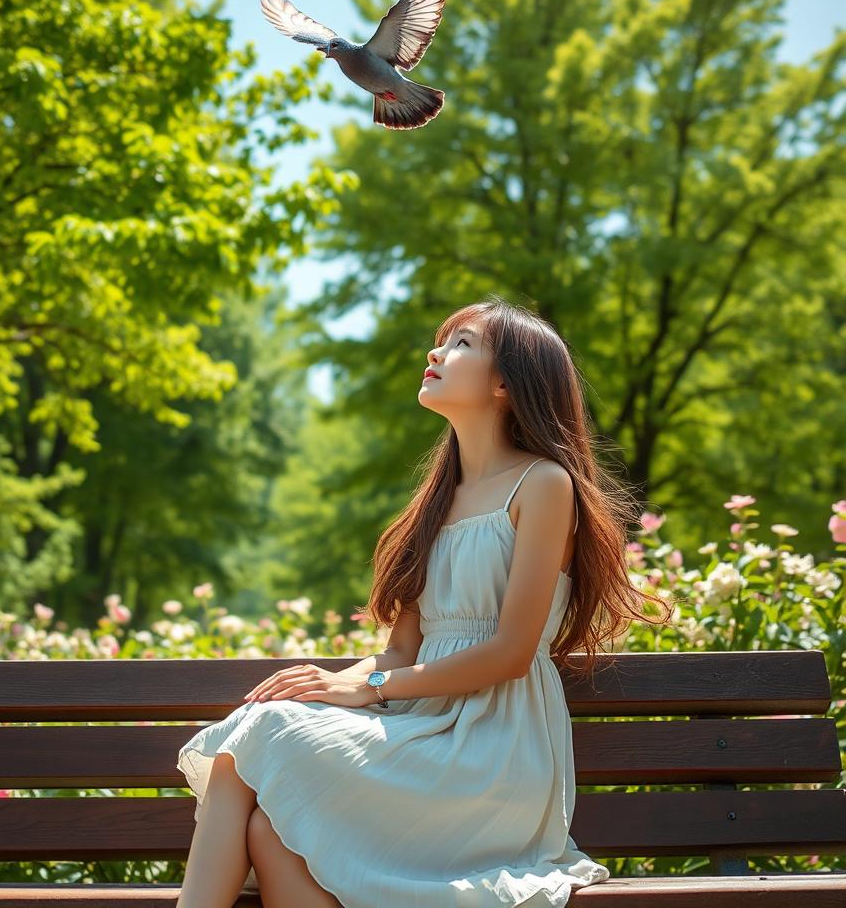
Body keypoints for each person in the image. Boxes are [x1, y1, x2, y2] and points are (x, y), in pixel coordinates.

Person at [176, 295, 671, 907]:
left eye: (463, 344)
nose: (437, 352)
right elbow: (402, 648)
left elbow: (511, 653)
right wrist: (331, 682)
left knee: (263, 741)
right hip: (421, 726)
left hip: (492, 743)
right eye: (443, 341)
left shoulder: (543, 484)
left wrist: (369, 689)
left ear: (506, 384)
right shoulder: (436, 504)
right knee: (269, 815)